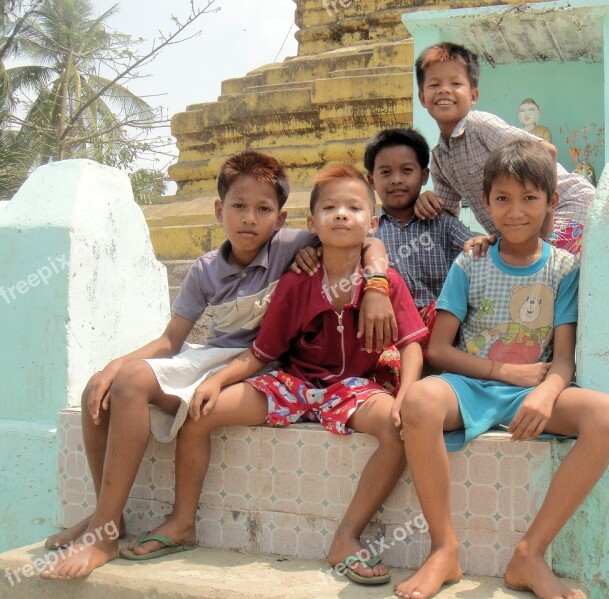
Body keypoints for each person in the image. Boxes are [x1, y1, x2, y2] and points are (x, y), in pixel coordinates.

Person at [41, 151, 396, 580]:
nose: (250, 219)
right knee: (101, 384)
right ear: (218, 210)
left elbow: (369, 239)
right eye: (238, 207)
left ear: (281, 219)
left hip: (258, 366)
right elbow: (171, 341)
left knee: (131, 380)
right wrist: (115, 362)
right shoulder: (205, 269)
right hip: (211, 357)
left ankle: (103, 532)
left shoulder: (292, 244)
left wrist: (376, 282)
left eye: (263, 209)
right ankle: (105, 517)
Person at [123, 164, 427, 586]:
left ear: (372, 223)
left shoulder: (385, 281)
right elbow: (259, 353)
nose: (342, 215)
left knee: (398, 432)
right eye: (331, 207)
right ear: (310, 225)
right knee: (198, 412)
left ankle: (346, 536)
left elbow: (412, 343)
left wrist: (408, 394)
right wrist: (214, 383)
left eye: (354, 208)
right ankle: (181, 522)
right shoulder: (296, 282)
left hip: (353, 388)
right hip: (294, 383)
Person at [395, 140, 609, 599]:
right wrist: (503, 371)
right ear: (486, 204)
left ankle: (530, 554)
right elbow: (439, 349)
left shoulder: (565, 269)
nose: (515, 211)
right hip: (474, 385)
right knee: (420, 400)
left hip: (534, 391)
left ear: (551, 203)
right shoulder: (471, 261)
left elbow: (563, 358)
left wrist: (546, 391)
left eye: (529, 199)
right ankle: (444, 550)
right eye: (502, 199)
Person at [413, 42, 593, 257]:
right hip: (524, 229)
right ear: (422, 97)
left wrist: (546, 219)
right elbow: (447, 217)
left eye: (455, 83)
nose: (444, 90)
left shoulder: (479, 125)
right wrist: (426, 201)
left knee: (548, 275)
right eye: (434, 85)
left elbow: (546, 151)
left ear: (473, 95)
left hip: (566, 206)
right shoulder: (440, 158)